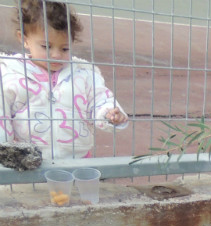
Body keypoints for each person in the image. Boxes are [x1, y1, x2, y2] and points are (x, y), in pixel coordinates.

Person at [0, 0, 129, 160]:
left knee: (76, 185)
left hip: (77, 159)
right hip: (28, 162)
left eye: (65, 48)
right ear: (24, 38)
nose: (56, 55)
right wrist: (4, 153)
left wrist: (109, 113)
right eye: (46, 46)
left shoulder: (84, 73)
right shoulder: (10, 74)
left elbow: (99, 99)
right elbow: (2, 115)